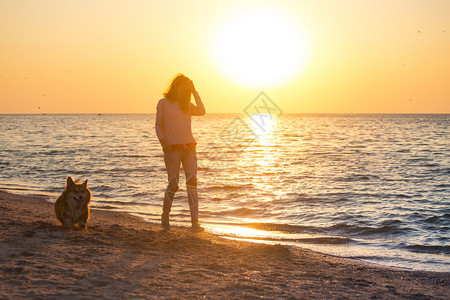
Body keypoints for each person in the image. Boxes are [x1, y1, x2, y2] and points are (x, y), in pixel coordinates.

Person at [155, 74, 206, 232]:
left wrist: (195, 91)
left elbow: (202, 111)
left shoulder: (188, 105)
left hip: (189, 149)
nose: (185, 91)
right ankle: (165, 215)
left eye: (187, 88)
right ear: (176, 86)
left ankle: (195, 223)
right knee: (174, 185)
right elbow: (158, 125)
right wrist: (164, 143)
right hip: (172, 150)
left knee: (192, 185)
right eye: (183, 87)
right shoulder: (164, 103)